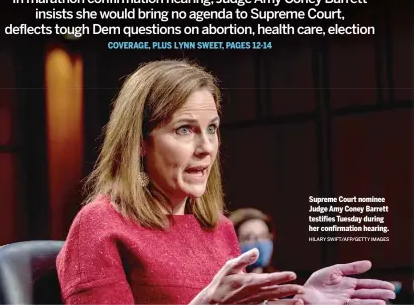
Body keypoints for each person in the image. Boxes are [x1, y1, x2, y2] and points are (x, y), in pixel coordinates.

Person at [56, 59, 396, 305]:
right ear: (140, 143)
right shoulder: (99, 225)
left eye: (212, 128)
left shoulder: (219, 229)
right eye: (184, 129)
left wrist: (305, 299)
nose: (206, 148)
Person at [229, 208, 277, 274]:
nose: (259, 243)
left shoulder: (283, 282)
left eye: (263, 236)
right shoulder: (221, 283)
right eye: (248, 238)